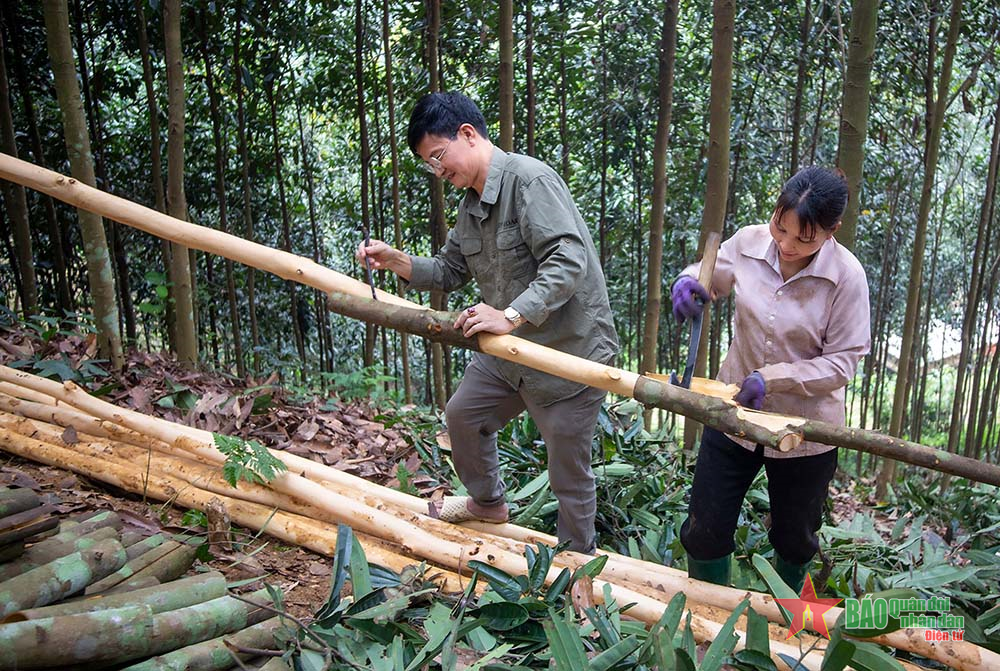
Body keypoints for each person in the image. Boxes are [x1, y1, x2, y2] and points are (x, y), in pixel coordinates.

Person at [356, 92, 619, 553]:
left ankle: (577, 572)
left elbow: (567, 260)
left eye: (439, 157)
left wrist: (510, 314)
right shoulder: (470, 205)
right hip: (509, 354)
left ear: (468, 134)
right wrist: (397, 260)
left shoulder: (530, 181)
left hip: (568, 354)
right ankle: (488, 502)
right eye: (429, 165)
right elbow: (450, 270)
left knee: (568, 475)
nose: (439, 172)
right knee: (463, 415)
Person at [671, 166, 871, 590]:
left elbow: (842, 364)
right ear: (775, 212)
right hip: (733, 412)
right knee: (706, 527)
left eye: (804, 238)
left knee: (794, 537)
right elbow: (713, 275)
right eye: (781, 228)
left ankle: (782, 625)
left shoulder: (847, 279)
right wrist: (688, 282)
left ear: (831, 231)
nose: (786, 244)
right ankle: (707, 620)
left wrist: (774, 379)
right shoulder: (748, 242)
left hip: (805, 432)